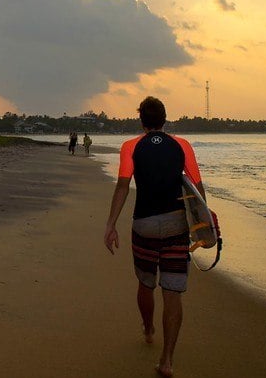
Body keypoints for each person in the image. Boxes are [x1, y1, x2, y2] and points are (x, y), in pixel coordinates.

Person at [103, 96, 204, 377]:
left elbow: (123, 187)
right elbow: (196, 187)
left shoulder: (130, 147)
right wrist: (202, 223)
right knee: (172, 292)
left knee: (146, 283)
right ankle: (167, 360)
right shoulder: (182, 145)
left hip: (144, 225)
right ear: (165, 119)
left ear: (141, 120)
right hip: (176, 225)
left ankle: (148, 329)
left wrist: (110, 224)